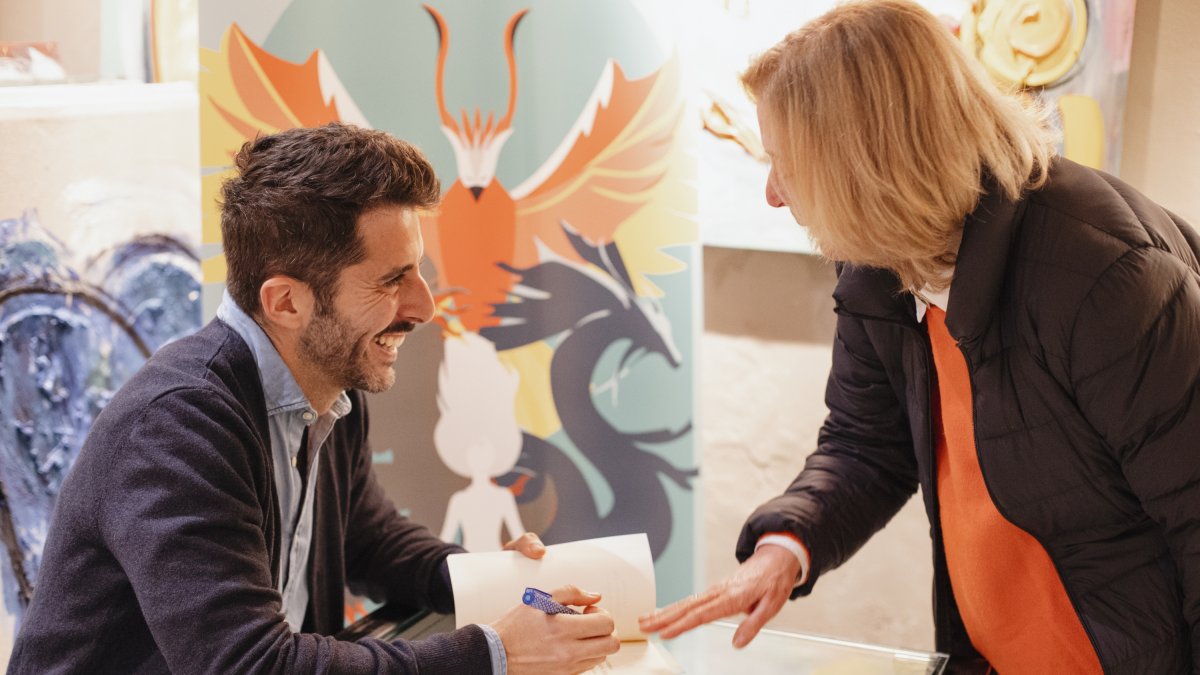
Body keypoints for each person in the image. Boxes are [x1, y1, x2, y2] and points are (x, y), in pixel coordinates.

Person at [639, 1, 1200, 673]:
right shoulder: (879, 262)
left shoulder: (1105, 276)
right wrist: (786, 546)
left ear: (867, 162)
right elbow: (866, 443)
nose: (773, 194)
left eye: (786, 163)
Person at [9, 123, 620, 674]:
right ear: (285, 302)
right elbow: (250, 664)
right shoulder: (178, 426)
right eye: (391, 280)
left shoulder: (329, 381)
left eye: (417, 270)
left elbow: (370, 541)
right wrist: (495, 652)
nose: (424, 307)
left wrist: (497, 583)